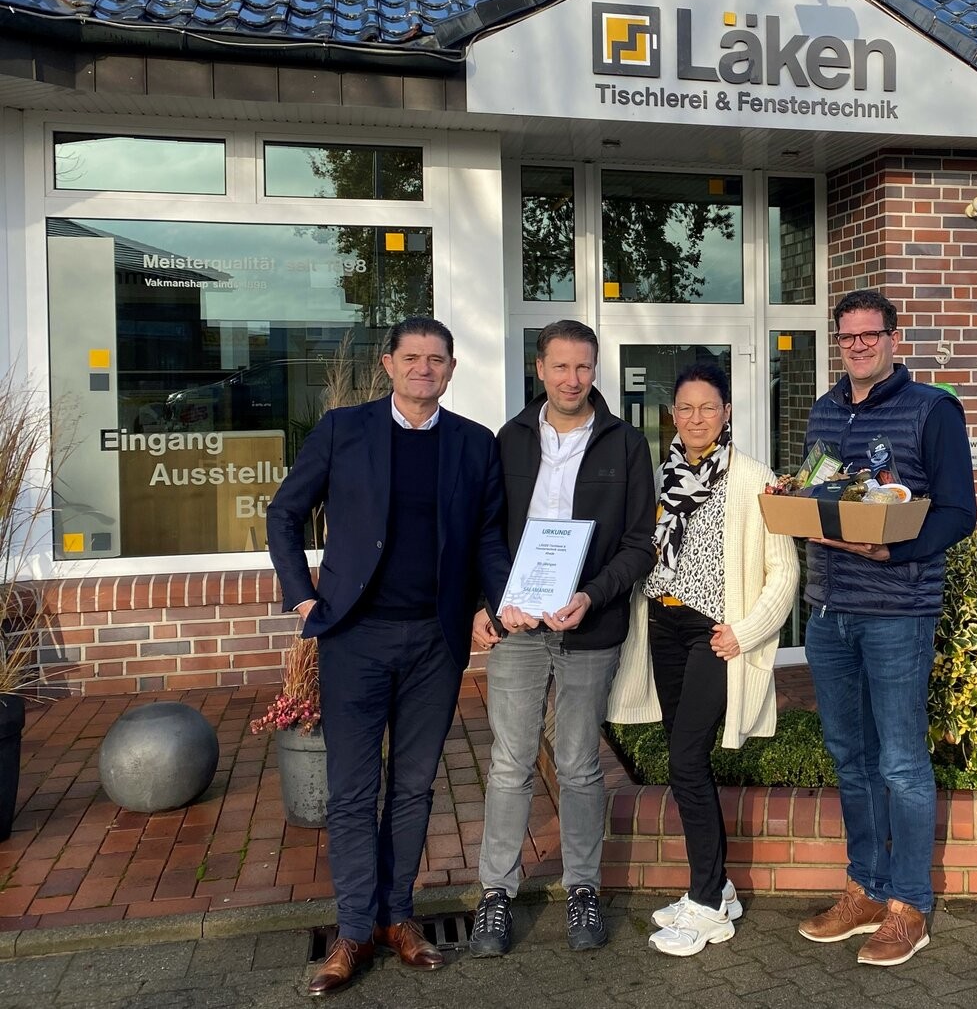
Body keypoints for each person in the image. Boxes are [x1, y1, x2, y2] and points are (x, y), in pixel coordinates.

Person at [266, 317, 509, 998]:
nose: (424, 369)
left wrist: (488, 602)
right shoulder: (344, 431)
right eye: (412, 358)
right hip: (354, 638)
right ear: (389, 364)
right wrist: (302, 598)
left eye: (437, 359)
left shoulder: (473, 445)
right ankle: (351, 930)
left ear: (452, 370)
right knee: (350, 790)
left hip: (435, 641)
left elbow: (487, 536)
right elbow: (284, 513)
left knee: (412, 787)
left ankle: (398, 918)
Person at [796, 289, 977, 967]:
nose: (860, 345)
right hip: (828, 610)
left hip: (897, 611)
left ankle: (909, 906)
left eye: (872, 335)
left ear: (893, 338)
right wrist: (795, 500)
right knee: (851, 758)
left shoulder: (933, 409)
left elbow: (959, 513)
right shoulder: (824, 410)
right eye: (849, 337)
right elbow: (819, 492)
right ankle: (866, 888)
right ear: (838, 340)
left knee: (902, 763)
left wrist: (893, 551)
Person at [467, 319, 654, 957]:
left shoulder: (627, 445)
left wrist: (591, 595)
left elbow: (638, 545)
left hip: (589, 625)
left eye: (584, 367)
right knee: (510, 762)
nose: (573, 379)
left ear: (594, 371)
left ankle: (582, 888)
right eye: (561, 367)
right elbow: (486, 534)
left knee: (577, 765)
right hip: (518, 627)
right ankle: (496, 893)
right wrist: (494, 602)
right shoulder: (509, 440)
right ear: (539, 369)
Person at [607, 363, 800, 957]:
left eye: (707, 408)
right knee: (683, 756)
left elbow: (784, 570)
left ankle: (708, 903)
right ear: (673, 415)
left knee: (687, 759)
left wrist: (745, 633)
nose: (695, 419)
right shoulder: (659, 475)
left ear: (728, 413)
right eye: (685, 409)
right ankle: (719, 886)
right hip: (662, 626)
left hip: (714, 635)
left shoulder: (751, 478)